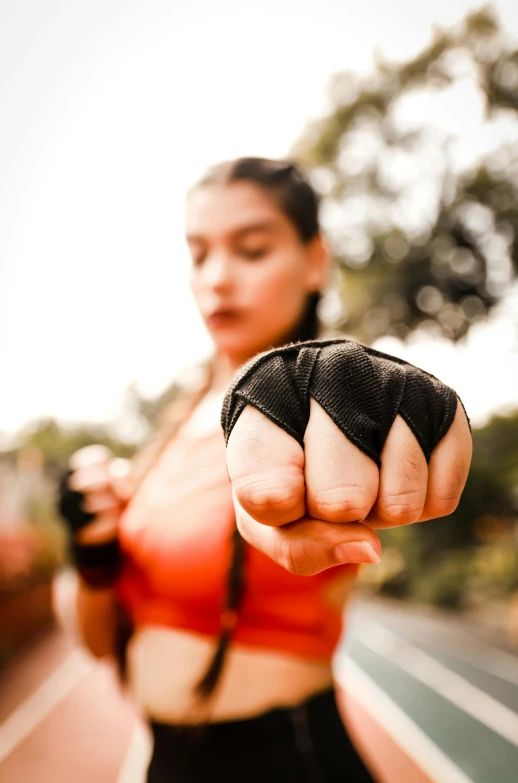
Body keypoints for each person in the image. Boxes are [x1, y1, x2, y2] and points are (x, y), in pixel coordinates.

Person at [58, 157, 472, 783]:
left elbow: (357, 391)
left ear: (314, 261)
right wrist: (91, 555)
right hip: (167, 760)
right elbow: (95, 641)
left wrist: (372, 391)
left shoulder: (314, 402)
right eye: (199, 255)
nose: (218, 279)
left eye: (251, 250)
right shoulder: (177, 425)